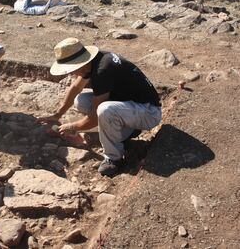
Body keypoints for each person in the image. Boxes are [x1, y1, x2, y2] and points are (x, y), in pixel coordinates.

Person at [38, 38, 162, 176]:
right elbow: (76, 87)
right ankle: (126, 131)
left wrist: (72, 127)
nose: (71, 73)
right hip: (131, 107)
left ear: (80, 63)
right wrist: (58, 114)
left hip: (149, 113)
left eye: (72, 69)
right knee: (81, 101)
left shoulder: (103, 70)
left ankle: (114, 158)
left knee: (104, 111)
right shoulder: (95, 61)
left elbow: (94, 118)